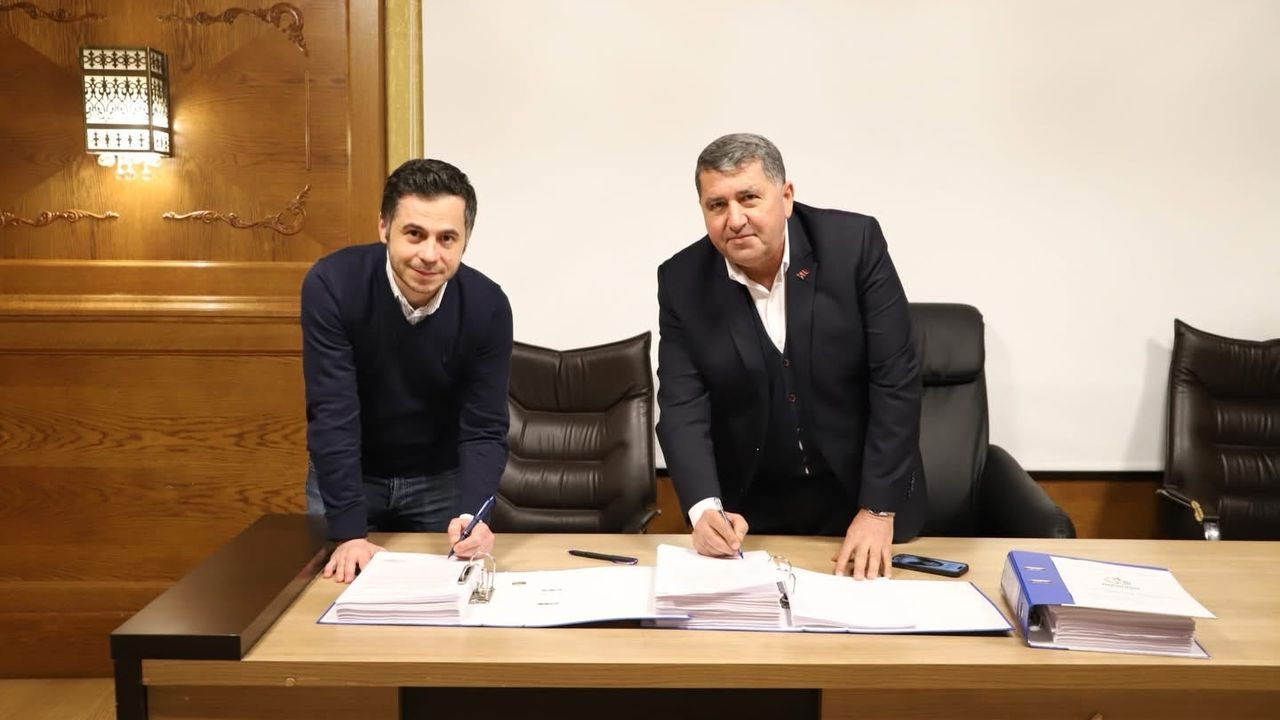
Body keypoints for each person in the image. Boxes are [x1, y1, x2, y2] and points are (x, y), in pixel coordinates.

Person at [656, 133, 928, 579]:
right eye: (717, 205)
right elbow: (682, 405)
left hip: (865, 501)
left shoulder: (853, 245)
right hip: (752, 517)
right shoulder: (681, 281)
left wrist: (878, 510)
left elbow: (895, 379)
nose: (735, 219)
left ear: (786, 197)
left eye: (749, 198)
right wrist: (704, 509)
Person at [301, 159, 513, 583]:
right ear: (384, 227)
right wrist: (349, 532)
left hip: (440, 480)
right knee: (332, 595)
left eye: (447, 238)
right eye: (414, 233)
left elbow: (484, 426)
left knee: (445, 597)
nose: (429, 255)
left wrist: (472, 515)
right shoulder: (332, 284)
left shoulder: (488, 306)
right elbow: (333, 412)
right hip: (350, 473)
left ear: (466, 240)